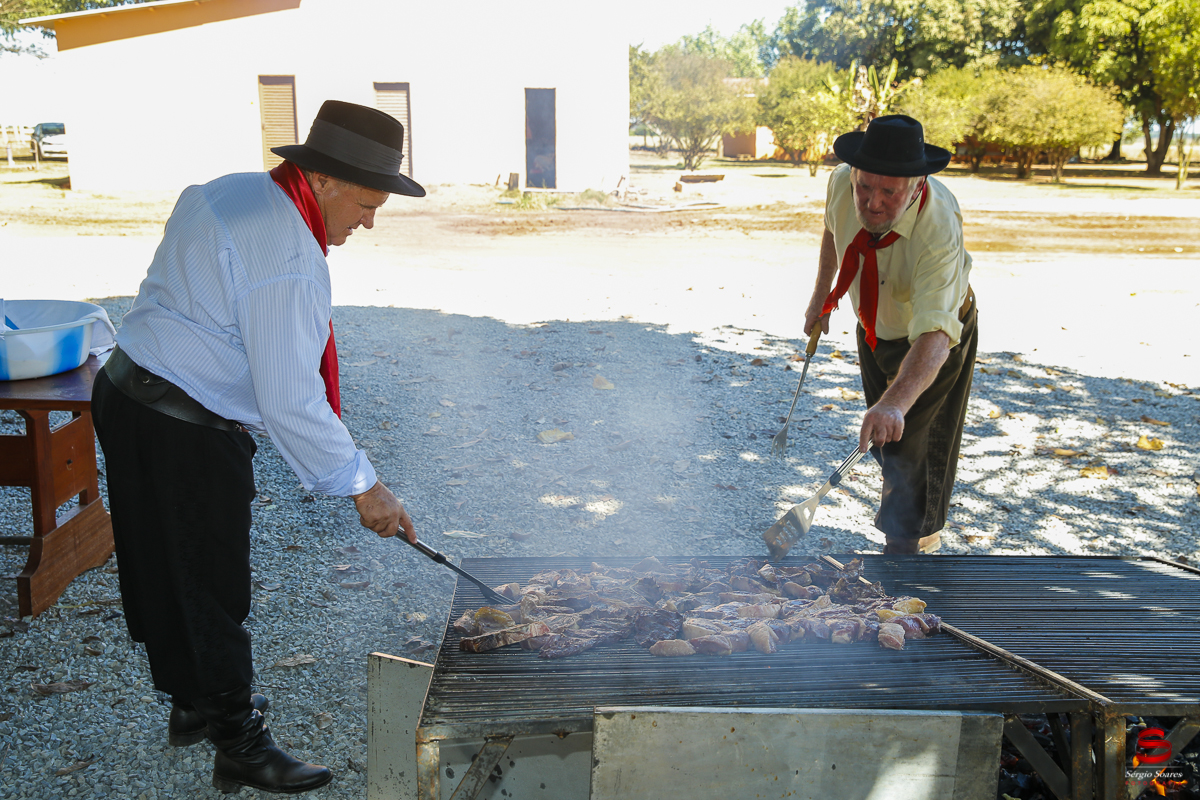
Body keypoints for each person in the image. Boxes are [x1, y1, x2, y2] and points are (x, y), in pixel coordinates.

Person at [91, 100, 425, 794]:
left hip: (126, 391)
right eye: (366, 203)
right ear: (324, 180)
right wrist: (367, 486)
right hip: (182, 425)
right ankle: (238, 741)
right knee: (212, 588)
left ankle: (192, 704)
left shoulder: (234, 190)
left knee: (161, 566)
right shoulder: (290, 260)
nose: (369, 221)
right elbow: (290, 399)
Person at [801, 115, 977, 556]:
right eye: (865, 187)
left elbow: (936, 333)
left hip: (934, 339)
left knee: (913, 441)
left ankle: (908, 548)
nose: (872, 202)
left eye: (888, 192)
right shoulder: (843, 181)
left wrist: (896, 402)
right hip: (875, 324)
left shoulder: (938, 225)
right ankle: (913, 532)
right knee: (884, 436)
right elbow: (833, 229)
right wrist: (821, 296)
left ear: (916, 187)